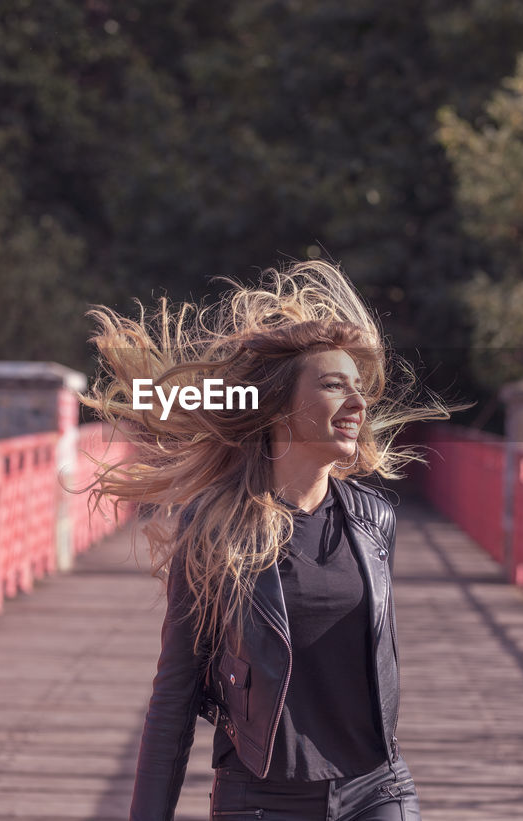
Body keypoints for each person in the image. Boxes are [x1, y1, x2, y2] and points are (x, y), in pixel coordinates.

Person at [81, 260, 447, 821]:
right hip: (262, 800)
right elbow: (176, 693)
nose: (358, 403)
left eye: (359, 388)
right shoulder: (215, 529)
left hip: (377, 789)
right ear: (279, 409)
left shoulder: (374, 521)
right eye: (332, 385)